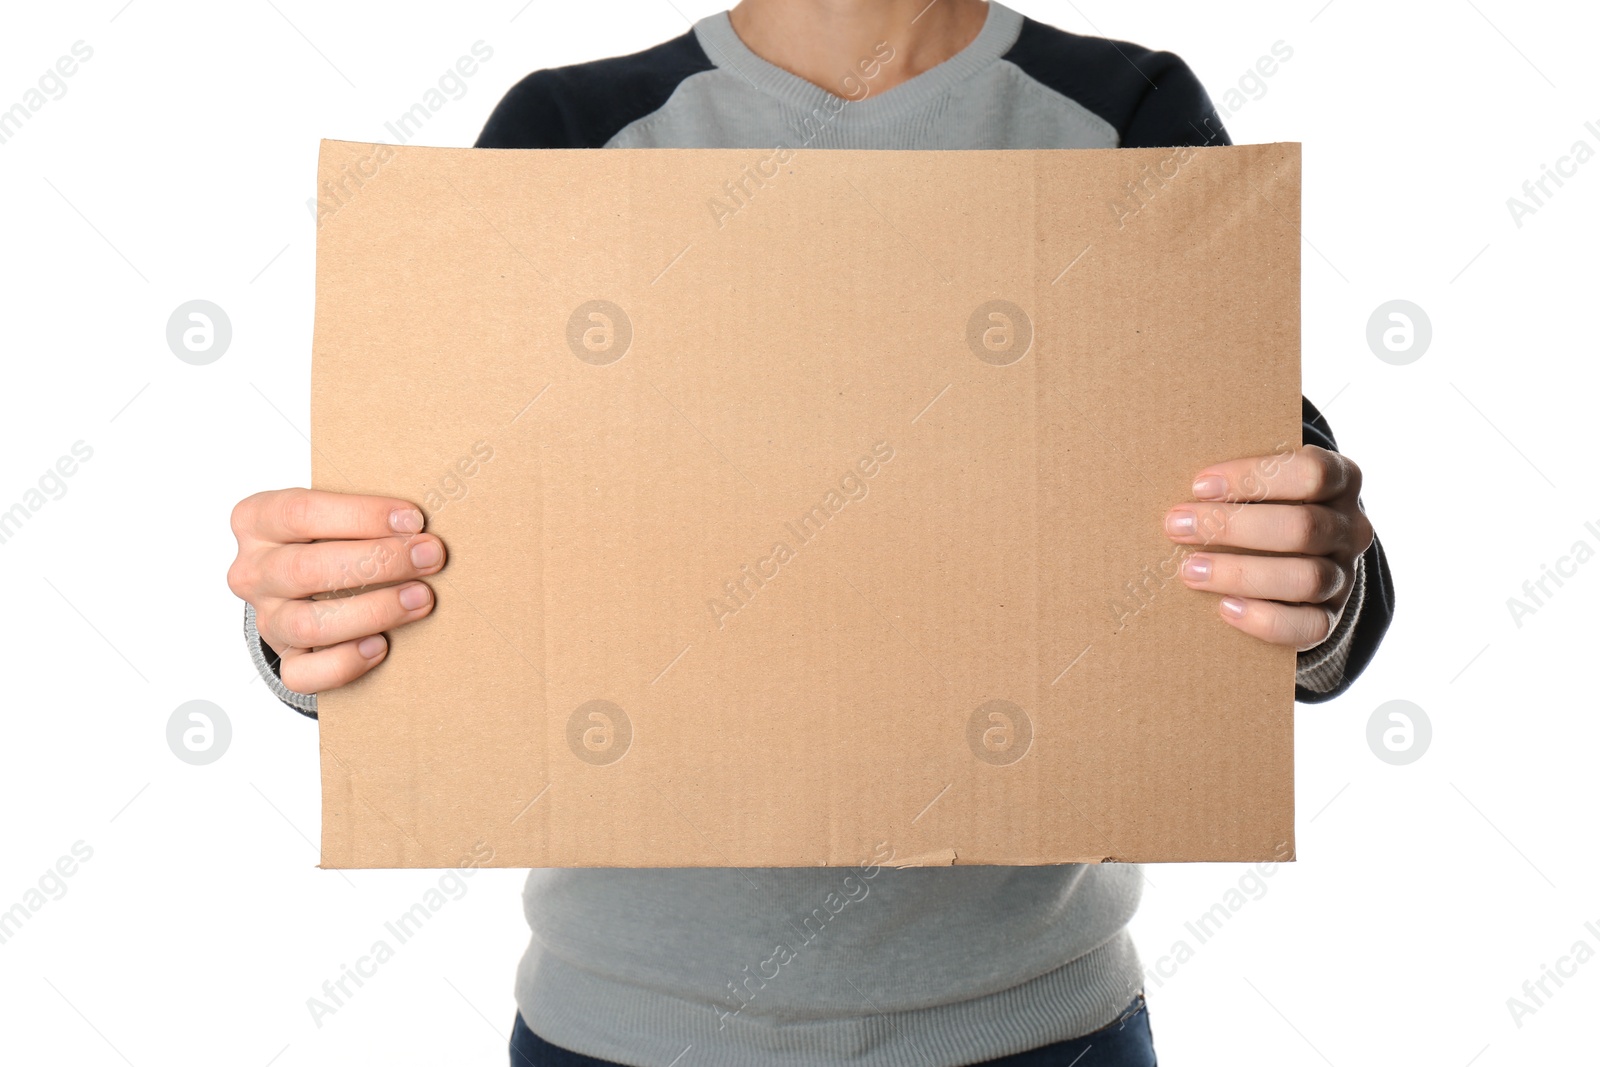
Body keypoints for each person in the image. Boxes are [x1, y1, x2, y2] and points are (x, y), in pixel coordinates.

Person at [227, 2, 1395, 1064]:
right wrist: (308, 624)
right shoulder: (568, 130)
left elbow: (1293, 541)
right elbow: (444, 550)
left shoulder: (1129, 114)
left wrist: (1316, 588)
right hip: (622, 1029)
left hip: (1038, 1026)